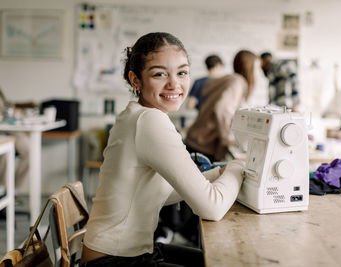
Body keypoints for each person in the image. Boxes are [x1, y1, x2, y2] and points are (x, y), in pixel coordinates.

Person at [80, 32, 245, 267]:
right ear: (135, 80)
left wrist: (218, 173)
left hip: (118, 252)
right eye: (159, 74)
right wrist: (239, 167)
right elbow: (212, 208)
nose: (174, 84)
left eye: (182, 72)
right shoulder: (149, 121)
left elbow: (159, 193)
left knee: (218, 260)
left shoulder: (136, 115)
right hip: (113, 261)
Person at [184, 50, 258, 162]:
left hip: (196, 140)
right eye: (257, 68)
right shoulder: (237, 82)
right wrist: (228, 138)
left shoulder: (229, 79)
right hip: (204, 145)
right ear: (249, 67)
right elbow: (223, 109)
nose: (258, 72)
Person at [0, 89, 30, 192]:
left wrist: (14, 112)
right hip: (2, 133)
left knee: (30, 151)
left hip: (11, 129)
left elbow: (7, 106)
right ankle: (2, 188)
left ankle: (14, 190)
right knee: (5, 151)